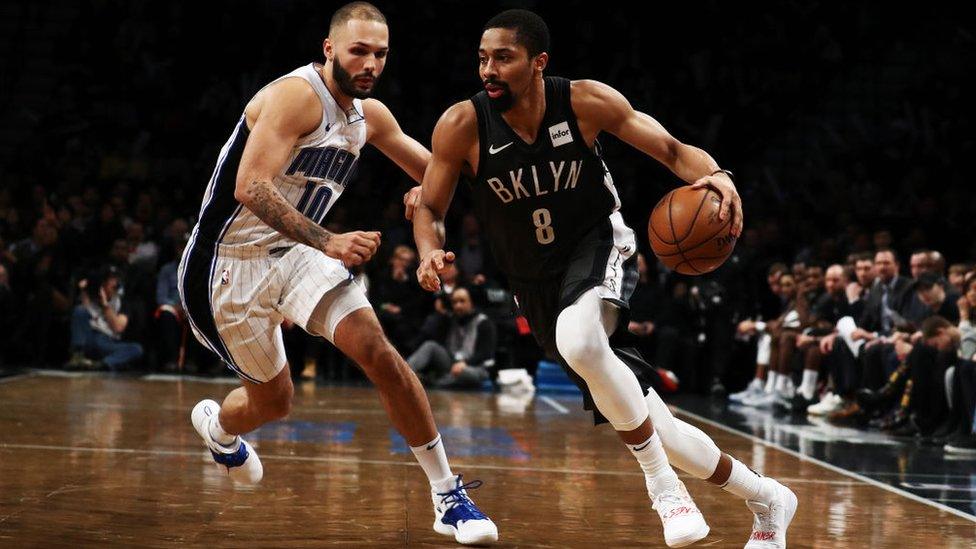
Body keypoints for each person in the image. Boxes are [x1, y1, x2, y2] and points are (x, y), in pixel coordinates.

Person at [411, 9, 795, 548]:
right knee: (657, 424)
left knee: (580, 339)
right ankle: (768, 499)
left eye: (503, 57)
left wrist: (717, 175)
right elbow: (429, 206)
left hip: (598, 245)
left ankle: (663, 489)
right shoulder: (462, 125)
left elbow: (671, 150)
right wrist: (429, 251)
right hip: (535, 283)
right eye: (482, 59)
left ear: (538, 62)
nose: (488, 70)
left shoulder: (585, 101)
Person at [177, 3, 495, 544]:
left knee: (379, 353)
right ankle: (219, 429)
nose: (371, 63)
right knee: (274, 402)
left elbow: (440, 171)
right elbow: (250, 186)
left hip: (295, 255)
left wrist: (427, 192)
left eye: (381, 53)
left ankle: (447, 495)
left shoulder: (370, 116)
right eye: (359, 51)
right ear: (329, 49)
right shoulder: (296, 96)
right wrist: (329, 240)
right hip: (225, 267)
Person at [407, 286, 497, 389]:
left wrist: (465, 363)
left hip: (475, 367)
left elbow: (485, 353)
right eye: (455, 302)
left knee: (464, 374)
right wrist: (440, 313)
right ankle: (405, 372)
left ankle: (434, 383)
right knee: (430, 346)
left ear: (471, 303)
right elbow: (434, 334)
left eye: (462, 301)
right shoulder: (451, 319)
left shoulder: (484, 322)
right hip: (452, 363)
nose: (458, 305)